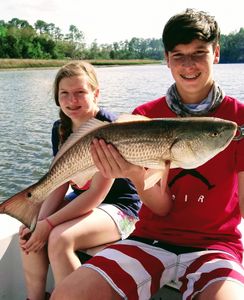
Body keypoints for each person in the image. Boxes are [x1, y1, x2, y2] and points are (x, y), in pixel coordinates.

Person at [50, 8, 244, 300]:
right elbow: (161, 207)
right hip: (149, 239)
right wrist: (130, 172)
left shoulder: (237, 121)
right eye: (178, 55)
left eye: (199, 53)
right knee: (67, 294)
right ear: (166, 59)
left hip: (217, 245)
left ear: (216, 53)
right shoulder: (144, 117)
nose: (188, 64)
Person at [18, 61, 141, 300]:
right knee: (28, 233)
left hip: (121, 208)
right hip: (83, 200)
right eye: (64, 94)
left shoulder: (109, 129)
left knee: (59, 239)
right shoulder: (60, 129)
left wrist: (50, 225)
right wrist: (39, 222)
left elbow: (96, 195)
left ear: (96, 93)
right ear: (57, 98)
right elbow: (58, 183)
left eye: (80, 93)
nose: (72, 101)